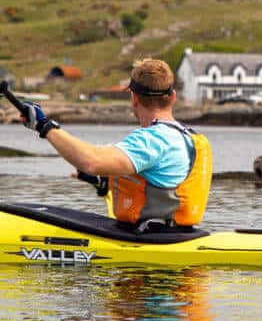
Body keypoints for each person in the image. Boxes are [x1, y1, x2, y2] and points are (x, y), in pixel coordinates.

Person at [21, 58, 212, 233]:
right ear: (172, 97)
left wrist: (44, 126)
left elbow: (91, 162)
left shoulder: (153, 140)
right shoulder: (184, 137)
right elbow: (160, 178)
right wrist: (105, 181)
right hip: (175, 234)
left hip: (150, 241)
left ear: (134, 98)